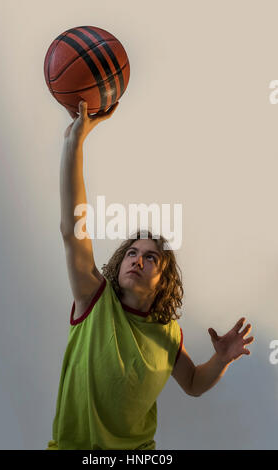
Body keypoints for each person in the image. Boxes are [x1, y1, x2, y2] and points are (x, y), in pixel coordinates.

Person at [46, 101, 255, 450]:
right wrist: (75, 143)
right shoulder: (94, 300)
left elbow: (192, 383)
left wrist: (220, 359)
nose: (136, 260)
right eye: (131, 252)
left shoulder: (167, 333)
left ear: (164, 282)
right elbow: (73, 230)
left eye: (150, 258)